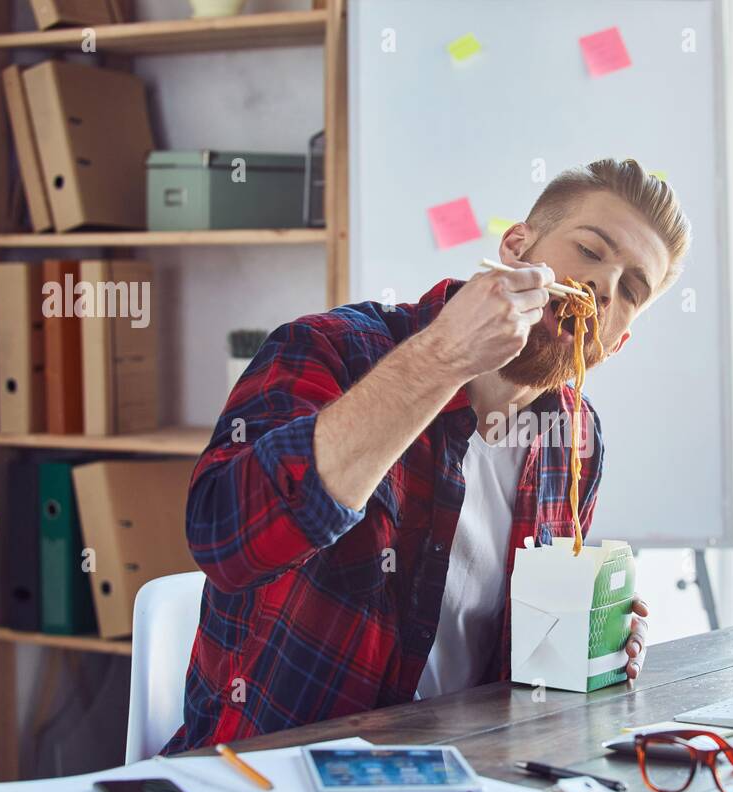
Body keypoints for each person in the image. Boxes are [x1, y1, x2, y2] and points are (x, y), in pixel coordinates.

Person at [161, 158, 692, 754]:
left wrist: (587, 642)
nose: (601, 287)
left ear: (618, 342)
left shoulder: (576, 438)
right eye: (591, 252)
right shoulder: (330, 348)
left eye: (630, 290)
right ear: (516, 247)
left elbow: (517, 667)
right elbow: (223, 540)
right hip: (270, 776)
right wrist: (444, 356)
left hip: (465, 784)